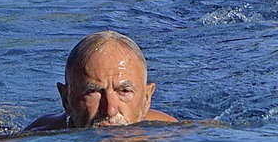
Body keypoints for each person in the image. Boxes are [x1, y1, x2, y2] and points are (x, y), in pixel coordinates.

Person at [25, 30, 177, 131]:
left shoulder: (173, 135)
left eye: (124, 91)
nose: (110, 110)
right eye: (93, 91)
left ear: (147, 98)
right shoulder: (34, 140)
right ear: (66, 99)